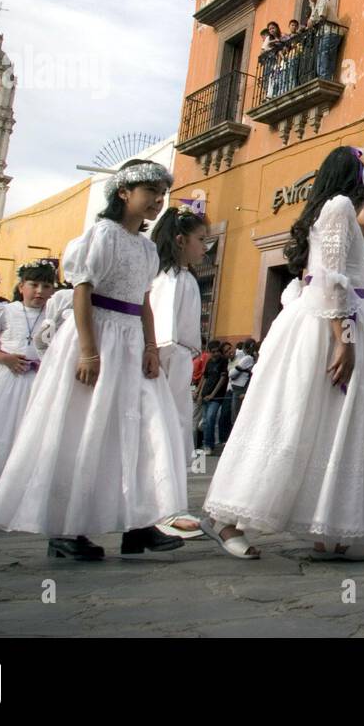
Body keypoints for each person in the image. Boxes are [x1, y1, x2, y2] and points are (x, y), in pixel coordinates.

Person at [201, 145, 364, 561]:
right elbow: (332, 282)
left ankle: (330, 529)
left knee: (331, 429)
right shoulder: (337, 207)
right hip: (325, 330)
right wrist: (343, 340)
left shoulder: (343, 217)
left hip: (342, 327)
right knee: (290, 422)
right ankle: (226, 517)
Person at [0, 161, 189, 559]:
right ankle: (66, 528)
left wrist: (150, 348)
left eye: (161, 193)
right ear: (123, 194)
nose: (157, 200)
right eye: (149, 191)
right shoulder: (102, 235)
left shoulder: (147, 248)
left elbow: (144, 301)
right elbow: (83, 291)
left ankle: (138, 523)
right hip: (99, 334)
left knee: (141, 425)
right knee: (83, 426)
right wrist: (88, 350)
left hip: (131, 338)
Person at [0, 258, 57, 508]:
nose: (40, 291)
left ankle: (23, 494)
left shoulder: (54, 316)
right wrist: (5, 358)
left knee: (31, 435)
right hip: (6, 382)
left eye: (46, 286)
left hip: (39, 383)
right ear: (21, 286)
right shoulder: (3, 311)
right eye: (34, 285)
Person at [149, 206, 209, 536]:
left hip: (179, 360)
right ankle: (164, 508)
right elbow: (164, 331)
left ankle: (170, 505)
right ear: (180, 240)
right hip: (167, 361)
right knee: (165, 430)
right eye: (200, 240)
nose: (205, 247)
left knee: (175, 431)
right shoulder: (169, 279)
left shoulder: (184, 277)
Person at [199, 341, 232, 452]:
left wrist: (212, 394)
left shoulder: (223, 361)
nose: (216, 353)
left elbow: (222, 379)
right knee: (205, 421)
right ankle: (206, 444)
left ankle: (209, 445)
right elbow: (205, 378)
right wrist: (199, 394)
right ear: (209, 352)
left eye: (218, 351)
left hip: (216, 397)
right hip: (205, 395)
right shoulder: (209, 362)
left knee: (210, 418)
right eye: (213, 352)